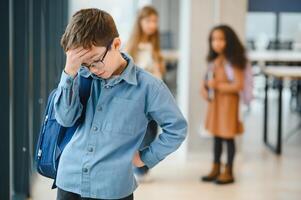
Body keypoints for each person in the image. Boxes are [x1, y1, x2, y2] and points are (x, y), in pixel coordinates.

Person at [54, 8, 187, 200]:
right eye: (86, 64)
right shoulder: (80, 75)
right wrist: (69, 71)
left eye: (96, 61)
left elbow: (177, 128)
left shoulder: (149, 86)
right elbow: (65, 119)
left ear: (116, 44)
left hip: (112, 188)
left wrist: (145, 158)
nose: (92, 69)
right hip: (69, 181)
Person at [200, 24, 247, 185]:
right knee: (217, 137)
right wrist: (205, 88)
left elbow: (238, 85)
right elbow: (206, 80)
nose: (217, 43)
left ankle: (229, 170)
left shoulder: (233, 62)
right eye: (214, 39)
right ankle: (216, 167)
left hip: (228, 105)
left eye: (221, 39)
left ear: (229, 41)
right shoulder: (214, 61)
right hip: (216, 105)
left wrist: (217, 86)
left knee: (228, 138)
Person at [125, 5, 165, 182]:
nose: (152, 25)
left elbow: (157, 72)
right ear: (140, 22)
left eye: (155, 21)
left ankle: (143, 168)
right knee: (139, 134)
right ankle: (138, 170)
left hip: (154, 98)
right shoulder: (130, 47)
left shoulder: (154, 46)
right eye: (149, 20)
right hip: (138, 99)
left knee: (151, 133)